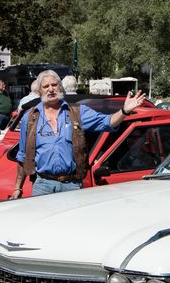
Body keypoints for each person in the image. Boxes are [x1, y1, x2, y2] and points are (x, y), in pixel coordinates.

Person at [11, 71, 145, 198]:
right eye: (46, 86)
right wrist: (18, 188)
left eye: (54, 85)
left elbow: (107, 122)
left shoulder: (77, 112)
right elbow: (22, 155)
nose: (50, 89)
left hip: (71, 185)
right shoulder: (30, 117)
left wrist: (124, 111)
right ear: (40, 91)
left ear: (60, 87)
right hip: (42, 185)